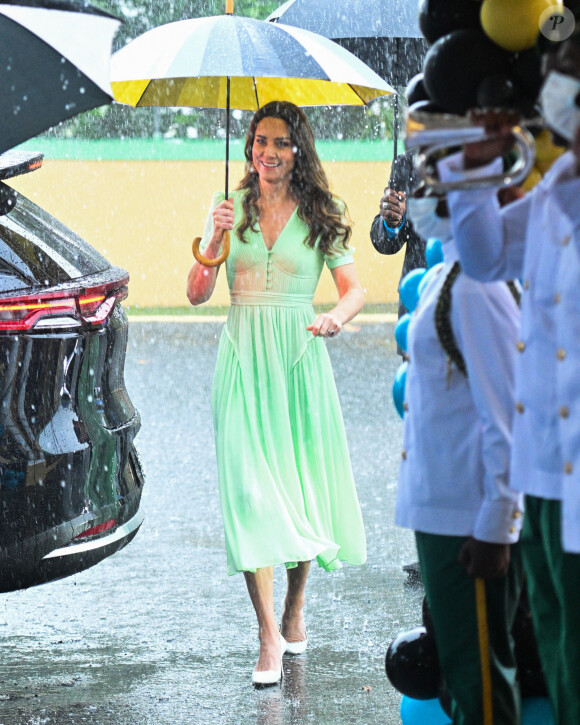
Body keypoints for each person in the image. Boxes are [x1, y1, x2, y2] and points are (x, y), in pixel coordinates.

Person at [186, 101, 366, 687]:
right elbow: (195, 293)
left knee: (299, 491)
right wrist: (212, 237)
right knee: (249, 493)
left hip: (296, 356)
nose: (268, 151)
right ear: (250, 147)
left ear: (299, 150)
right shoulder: (228, 208)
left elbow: (353, 291)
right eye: (261, 141)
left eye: (281, 143)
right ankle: (267, 632)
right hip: (240, 357)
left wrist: (336, 318)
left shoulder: (324, 212)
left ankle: (293, 606)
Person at [437, 29, 580, 725]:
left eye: (569, 70)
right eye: (554, 69)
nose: (554, 83)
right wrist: (474, 169)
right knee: (557, 643)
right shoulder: (559, 186)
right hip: (548, 469)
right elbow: (488, 255)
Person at [397, 190, 524, 725]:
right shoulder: (448, 275)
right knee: (462, 679)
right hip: (442, 513)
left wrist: (497, 524)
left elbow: (507, 417)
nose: (420, 196)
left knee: (481, 692)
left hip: (466, 521)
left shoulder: (475, 285)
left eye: (434, 185)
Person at [369, 151, 427, 319]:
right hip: (417, 295)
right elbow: (387, 244)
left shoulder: (486, 161)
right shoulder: (408, 163)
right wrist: (391, 222)